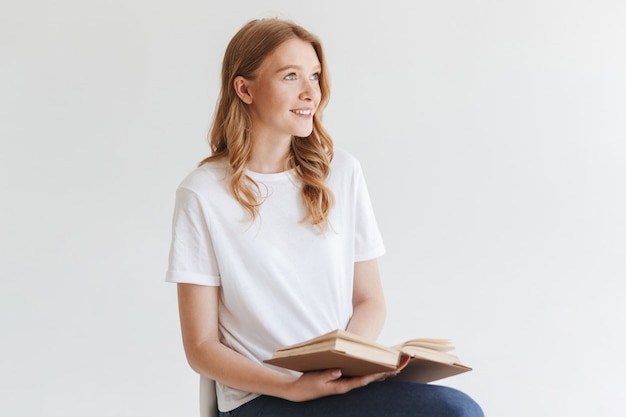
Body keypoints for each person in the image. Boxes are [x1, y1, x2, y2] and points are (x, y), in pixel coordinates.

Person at [165, 17, 484, 417]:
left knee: (457, 410)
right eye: (290, 76)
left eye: (314, 76)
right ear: (244, 89)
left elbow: (369, 300)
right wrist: (294, 387)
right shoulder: (203, 193)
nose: (309, 92)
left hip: (338, 386)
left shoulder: (342, 173)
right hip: (261, 397)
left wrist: (344, 364)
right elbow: (201, 347)